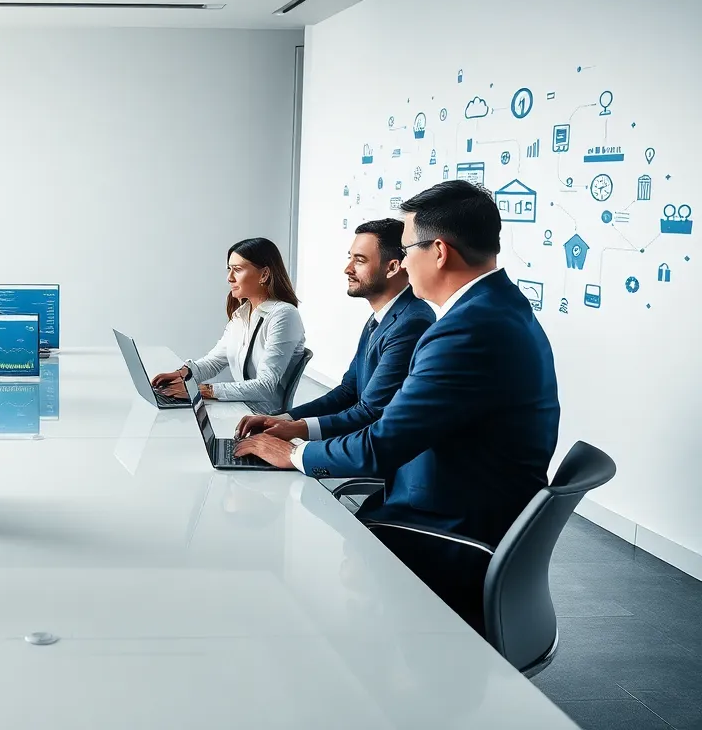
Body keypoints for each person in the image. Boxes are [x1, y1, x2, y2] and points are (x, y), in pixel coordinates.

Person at [236, 181, 560, 631]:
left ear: (440, 252)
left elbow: (382, 441)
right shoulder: (494, 308)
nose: (403, 262)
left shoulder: (467, 330)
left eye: (407, 249)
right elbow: (377, 412)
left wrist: (292, 454)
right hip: (458, 500)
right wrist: (294, 432)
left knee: (299, 580)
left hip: (452, 526)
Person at [235, 219, 434, 443]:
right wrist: (283, 418)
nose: (347, 269)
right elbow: (348, 392)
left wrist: (297, 430)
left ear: (393, 268)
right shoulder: (381, 316)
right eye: (350, 258)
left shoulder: (411, 323)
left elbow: (371, 413)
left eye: (359, 260)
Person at [150, 238, 306, 413]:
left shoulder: (283, 315)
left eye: (237, 270)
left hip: (260, 416)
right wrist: (183, 374)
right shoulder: (242, 313)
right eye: (229, 269)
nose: (229, 278)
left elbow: (265, 386)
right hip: (237, 407)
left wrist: (202, 390)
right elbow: (214, 362)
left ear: (264, 274)